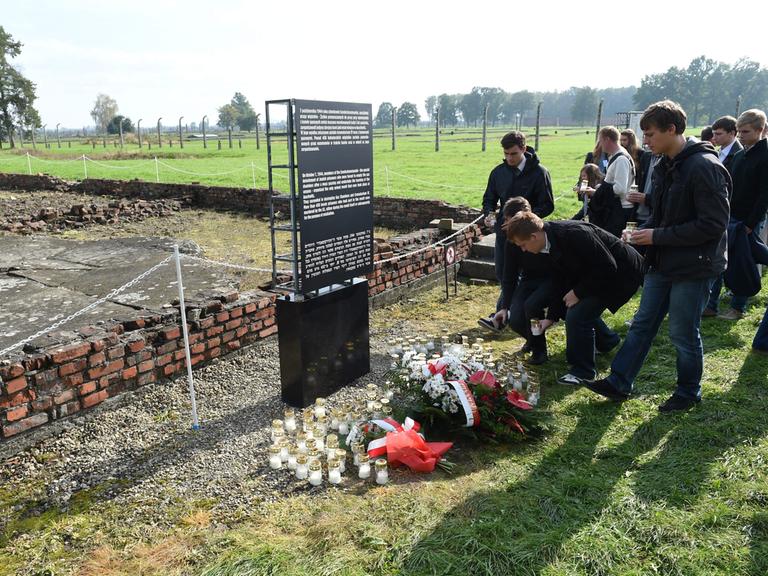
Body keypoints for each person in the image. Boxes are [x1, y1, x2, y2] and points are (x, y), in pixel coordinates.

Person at [584, 100, 730, 413]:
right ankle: (620, 381)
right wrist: (643, 233)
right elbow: (663, 214)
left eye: (650, 134)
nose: (644, 141)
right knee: (642, 323)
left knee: (682, 332)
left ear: (672, 129)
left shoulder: (705, 167)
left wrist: (656, 236)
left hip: (695, 266)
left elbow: (713, 225)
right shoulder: (664, 163)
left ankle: (689, 391)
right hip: (662, 260)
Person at [504, 211, 644, 385]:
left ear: (533, 236)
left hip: (622, 273)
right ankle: (607, 342)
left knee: (577, 314)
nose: (523, 250)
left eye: (523, 245)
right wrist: (551, 317)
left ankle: (583, 371)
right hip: (596, 274)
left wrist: (578, 292)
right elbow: (559, 280)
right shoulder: (547, 243)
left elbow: (607, 266)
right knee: (573, 309)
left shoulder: (574, 233)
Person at [479, 131, 554, 328]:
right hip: (503, 233)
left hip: (528, 235)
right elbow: (488, 199)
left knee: (520, 275)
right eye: (506, 154)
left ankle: (502, 316)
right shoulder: (498, 172)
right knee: (503, 273)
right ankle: (508, 312)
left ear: (523, 149)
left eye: (513, 154)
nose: (509, 158)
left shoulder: (540, 173)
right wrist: (489, 213)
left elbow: (548, 205)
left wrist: (523, 220)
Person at [706, 109, 768, 320]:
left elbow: (764, 195)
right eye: (739, 132)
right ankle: (710, 304)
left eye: (746, 132)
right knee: (721, 260)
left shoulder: (765, 155)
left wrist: (751, 223)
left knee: (742, 261)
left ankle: (737, 307)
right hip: (730, 216)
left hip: (748, 220)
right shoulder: (741, 154)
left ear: (761, 130)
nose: (741, 136)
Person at [489, 197, 555, 364]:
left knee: (532, 306)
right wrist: (505, 306)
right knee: (516, 318)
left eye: (507, 219)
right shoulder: (511, 241)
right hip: (528, 279)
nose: (505, 223)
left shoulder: (541, 233)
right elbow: (509, 275)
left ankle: (539, 351)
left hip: (551, 278)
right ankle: (533, 340)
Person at [586, 126, 635, 237]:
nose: (600, 144)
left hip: (620, 209)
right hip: (616, 207)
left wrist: (600, 190)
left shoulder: (621, 159)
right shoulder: (616, 156)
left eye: (601, 140)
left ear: (607, 139)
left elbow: (620, 188)